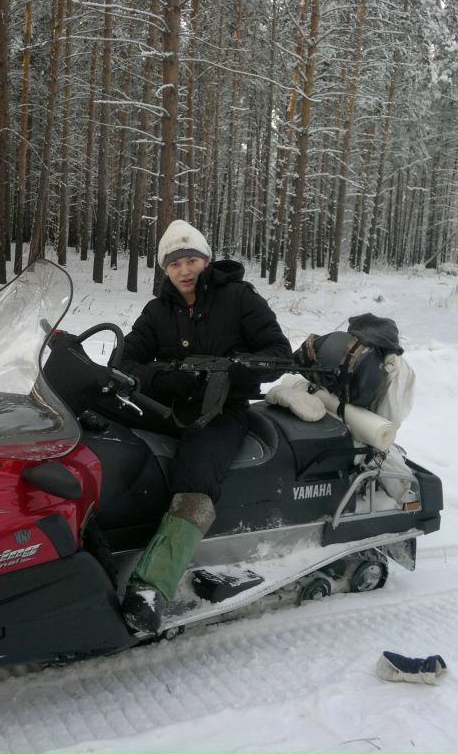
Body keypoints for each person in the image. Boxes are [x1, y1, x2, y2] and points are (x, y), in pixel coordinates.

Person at [117, 219, 292, 633]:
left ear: (207, 260)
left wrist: (232, 371)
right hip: (163, 406)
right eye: (175, 263)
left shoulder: (239, 298)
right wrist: (166, 378)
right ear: (165, 270)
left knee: (195, 476)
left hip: (221, 412)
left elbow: (279, 354)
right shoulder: (157, 310)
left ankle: (150, 588)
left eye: (192, 259)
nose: (184, 270)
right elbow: (123, 363)